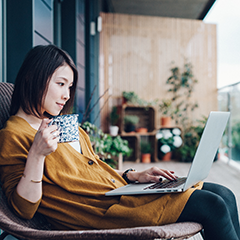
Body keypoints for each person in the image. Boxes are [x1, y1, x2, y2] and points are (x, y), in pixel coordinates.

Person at [0, 45, 239, 240]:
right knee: (213, 205)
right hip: (101, 211)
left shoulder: (59, 123)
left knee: (225, 193)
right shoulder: (14, 134)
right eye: (60, 84)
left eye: (70, 87)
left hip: (120, 192)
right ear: (33, 79)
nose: (66, 95)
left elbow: (90, 169)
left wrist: (133, 176)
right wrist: (37, 155)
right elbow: (23, 209)